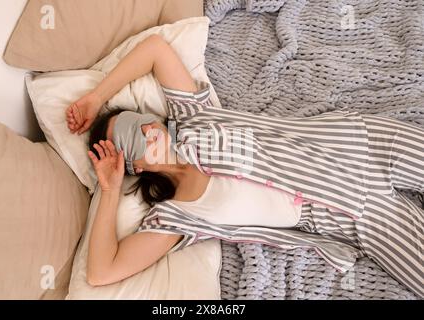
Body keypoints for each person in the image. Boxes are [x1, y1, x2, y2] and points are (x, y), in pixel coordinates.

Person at [66, 34, 423, 297]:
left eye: (138, 119)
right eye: (131, 137)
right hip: (352, 215)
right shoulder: (176, 217)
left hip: (357, 144)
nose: (145, 128)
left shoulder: (193, 118)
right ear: (135, 166)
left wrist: (97, 97)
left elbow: (157, 49)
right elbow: (101, 271)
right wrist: (110, 190)